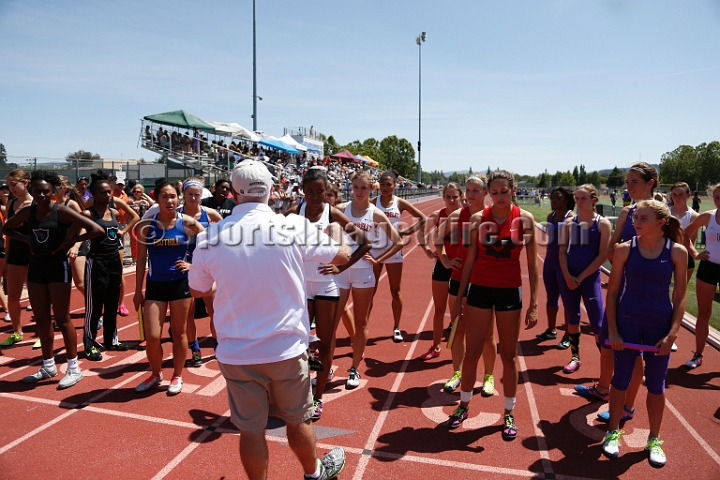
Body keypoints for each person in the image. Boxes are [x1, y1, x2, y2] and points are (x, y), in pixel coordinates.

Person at [188, 159, 350, 480]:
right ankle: (314, 472)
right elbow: (342, 256)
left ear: (234, 194)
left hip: (236, 351)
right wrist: (336, 233)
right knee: (298, 419)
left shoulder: (211, 236)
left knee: (251, 430)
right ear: (273, 190)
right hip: (286, 348)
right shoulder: (293, 225)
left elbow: (197, 289)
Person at [447, 170, 539, 440]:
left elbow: (532, 265)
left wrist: (534, 304)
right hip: (480, 290)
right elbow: (469, 261)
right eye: (494, 192)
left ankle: (508, 411)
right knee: (471, 353)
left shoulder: (525, 219)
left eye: (504, 191)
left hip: (510, 291)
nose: (499, 197)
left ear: (513, 190)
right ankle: (463, 405)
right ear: (489, 192)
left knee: (508, 356)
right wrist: (459, 298)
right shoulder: (478, 219)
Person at [602, 200, 687, 467]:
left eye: (643, 219)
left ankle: (654, 438)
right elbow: (613, 292)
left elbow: (680, 294)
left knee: (656, 385)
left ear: (661, 223)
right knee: (621, 380)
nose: (636, 223)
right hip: (627, 322)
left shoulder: (678, 252)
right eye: (635, 217)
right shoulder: (625, 250)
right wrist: (614, 330)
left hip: (659, 325)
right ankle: (612, 431)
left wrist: (673, 333)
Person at [3, 170, 103, 388]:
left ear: (53, 192)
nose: (41, 195)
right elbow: (6, 228)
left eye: (45, 191)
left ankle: (73, 368)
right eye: (37, 191)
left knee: (62, 318)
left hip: (59, 269)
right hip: (36, 270)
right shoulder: (28, 213)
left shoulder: (62, 211)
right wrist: (27, 240)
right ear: (32, 191)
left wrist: (70, 242)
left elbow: (95, 229)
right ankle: (48, 365)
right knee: (41, 319)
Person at [285, 168, 371, 420]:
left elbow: (364, 242)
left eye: (319, 191)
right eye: (310, 191)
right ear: (302, 190)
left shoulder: (333, 214)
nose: (314, 196)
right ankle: (299, 393)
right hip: (300, 286)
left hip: (325, 286)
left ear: (326, 191)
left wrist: (342, 266)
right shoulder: (292, 214)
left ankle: (319, 397)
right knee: (298, 344)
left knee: (325, 342)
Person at [576, 162, 658, 416]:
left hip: (645, 292)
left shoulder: (661, 214)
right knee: (608, 340)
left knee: (634, 353)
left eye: (634, 182)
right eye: (627, 182)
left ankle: (627, 406)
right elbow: (610, 251)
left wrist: (628, 250)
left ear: (650, 183)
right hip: (620, 287)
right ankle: (602, 388)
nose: (628, 187)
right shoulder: (626, 213)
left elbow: (667, 254)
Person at [132, 180, 203, 395]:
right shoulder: (148, 225)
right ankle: (156, 373)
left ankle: (177, 375)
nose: (169, 200)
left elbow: (210, 244)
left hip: (180, 283)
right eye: (164, 196)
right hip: (155, 285)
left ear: (177, 199)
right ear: (157, 200)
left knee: (179, 334)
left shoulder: (187, 221)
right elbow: (141, 259)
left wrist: (194, 264)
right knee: (153, 338)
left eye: (173, 196)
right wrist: (137, 291)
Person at [339, 171, 403, 389]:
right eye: (355, 187)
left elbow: (398, 242)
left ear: (371, 189)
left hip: (363, 272)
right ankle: (327, 365)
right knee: (332, 317)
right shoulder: (340, 209)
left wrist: (377, 260)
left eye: (363, 188)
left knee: (361, 320)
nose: (358, 192)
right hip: (340, 271)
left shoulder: (375, 214)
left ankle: (355, 367)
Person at [435, 176, 497, 395]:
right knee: (457, 329)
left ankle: (488, 376)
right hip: (459, 278)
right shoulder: (456, 215)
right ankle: (457, 372)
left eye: (476, 191)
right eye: (468, 190)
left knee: (487, 333)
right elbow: (437, 238)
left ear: (485, 192)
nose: (471, 194)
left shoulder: (493, 216)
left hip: (484, 281)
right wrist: (444, 259)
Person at [81, 171, 138, 361]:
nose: (107, 196)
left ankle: (111, 340)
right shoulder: (88, 213)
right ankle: (89, 344)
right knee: (95, 306)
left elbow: (133, 217)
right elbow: (76, 231)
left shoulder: (113, 212)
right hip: (96, 261)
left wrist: (124, 231)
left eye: (108, 192)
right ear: (94, 194)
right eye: (103, 192)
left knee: (112, 303)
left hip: (114, 260)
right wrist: (72, 246)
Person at [558, 184, 611, 374]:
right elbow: (562, 251)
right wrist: (567, 275)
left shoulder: (602, 224)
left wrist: (581, 277)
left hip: (589, 278)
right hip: (569, 277)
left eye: (583, 199)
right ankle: (575, 357)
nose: (579, 202)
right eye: (577, 199)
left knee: (598, 323)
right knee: (572, 317)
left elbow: (602, 255)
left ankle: (607, 363)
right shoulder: (569, 223)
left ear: (594, 200)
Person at [369, 170, 427, 343]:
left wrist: (405, 232)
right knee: (369, 291)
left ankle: (396, 327)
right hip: (375, 250)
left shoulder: (399, 202)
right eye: (383, 184)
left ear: (395, 185)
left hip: (394, 251)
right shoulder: (372, 203)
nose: (386, 188)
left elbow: (423, 218)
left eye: (389, 184)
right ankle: (362, 325)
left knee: (395, 290)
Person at [179, 178, 222, 367]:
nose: (194, 198)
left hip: (206, 268)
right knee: (189, 314)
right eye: (190, 194)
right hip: (183, 267)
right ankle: (195, 350)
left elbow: (227, 235)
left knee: (214, 311)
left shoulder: (210, 213)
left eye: (197, 194)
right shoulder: (176, 215)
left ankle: (218, 345)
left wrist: (214, 230)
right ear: (184, 195)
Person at [419, 182, 463, 359]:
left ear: (461, 196)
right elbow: (421, 234)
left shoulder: (469, 215)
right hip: (443, 265)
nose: (451, 200)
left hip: (461, 266)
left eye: (455, 196)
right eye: (448, 196)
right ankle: (435, 347)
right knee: (439, 310)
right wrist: (429, 252)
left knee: (460, 313)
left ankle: (460, 348)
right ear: (443, 197)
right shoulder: (438, 215)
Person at [682, 183, 720, 369]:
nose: (719, 201)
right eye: (717, 197)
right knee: (704, 313)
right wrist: (695, 253)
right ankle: (698, 354)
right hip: (708, 267)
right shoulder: (708, 216)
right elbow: (685, 234)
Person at [535, 187, 574, 346]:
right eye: (553, 198)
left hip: (564, 264)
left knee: (567, 300)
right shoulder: (550, 216)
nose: (554, 200)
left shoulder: (571, 218)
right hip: (549, 262)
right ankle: (551, 330)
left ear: (566, 200)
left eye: (558, 197)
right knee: (551, 298)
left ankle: (568, 335)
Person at [0, 170, 34, 347]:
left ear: (26, 182)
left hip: (35, 254)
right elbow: (9, 234)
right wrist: (6, 260)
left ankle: (43, 333)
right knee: (13, 296)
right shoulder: (11, 203)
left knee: (37, 297)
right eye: (8, 185)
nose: (10, 188)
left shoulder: (37, 202)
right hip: (15, 255)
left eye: (14, 184)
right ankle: (17, 331)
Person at [325, 184, 355, 343]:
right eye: (324, 195)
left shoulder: (339, 215)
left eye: (330, 195)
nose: (326, 198)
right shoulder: (315, 214)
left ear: (336, 197)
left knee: (341, 309)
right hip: (319, 265)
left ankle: (354, 339)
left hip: (336, 265)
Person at [669, 182, 699, 284]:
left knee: (679, 292)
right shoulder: (664, 212)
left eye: (681, 194)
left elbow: (691, 241)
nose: (677, 198)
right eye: (674, 194)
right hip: (662, 254)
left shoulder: (694, 216)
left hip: (684, 256)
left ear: (688, 195)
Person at [128, 184, 153, 265]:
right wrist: (140, 201)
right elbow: (130, 202)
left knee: (142, 241)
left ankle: (142, 257)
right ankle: (134, 259)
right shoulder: (131, 198)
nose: (136, 193)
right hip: (132, 223)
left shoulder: (144, 198)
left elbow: (151, 203)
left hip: (142, 223)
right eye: (135, 191)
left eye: (138, 191)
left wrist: (144, 195)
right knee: (133, 241)